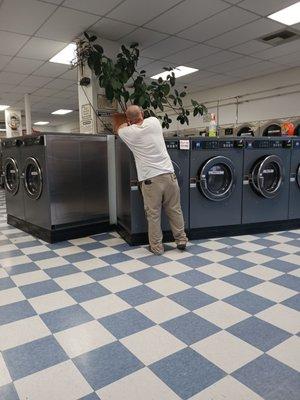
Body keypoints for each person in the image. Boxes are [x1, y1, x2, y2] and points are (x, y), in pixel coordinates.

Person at [117, 105, 188, 255]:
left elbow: (119, 128)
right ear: (142, 113)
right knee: (175, 209)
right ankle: (181, 240)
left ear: (129, 119)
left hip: (150, 180)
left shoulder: (127, 132)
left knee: (153, 215)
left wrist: (128, 122)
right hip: (169, 175)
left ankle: (157, 247)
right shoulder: (154, 122)